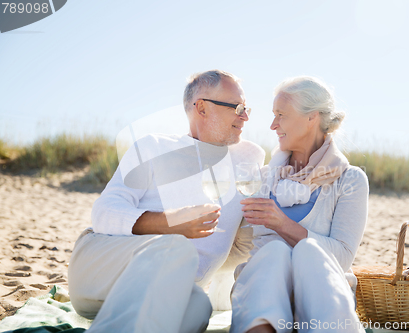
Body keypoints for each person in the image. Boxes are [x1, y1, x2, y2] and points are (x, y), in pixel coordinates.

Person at [68, 70, 265, 333]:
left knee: (198, 308)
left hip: (172, 292)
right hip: (100, 273)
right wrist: (172, 223)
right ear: (202, 108)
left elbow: (239, 239)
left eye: (246, 107)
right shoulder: (152, 147)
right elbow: (104, 213)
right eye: (237, 107)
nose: (246, 116)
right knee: (176, 249)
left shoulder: (249, 158)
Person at [230, 76, 369, 333]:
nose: (273, 125)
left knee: (309, 253)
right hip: (263, 295)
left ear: (311, 118)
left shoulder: (351, 180)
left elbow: (341, 258)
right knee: (273, 254)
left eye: (281, 115)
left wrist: (282, 224)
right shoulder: (261, 178)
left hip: (321, 297)